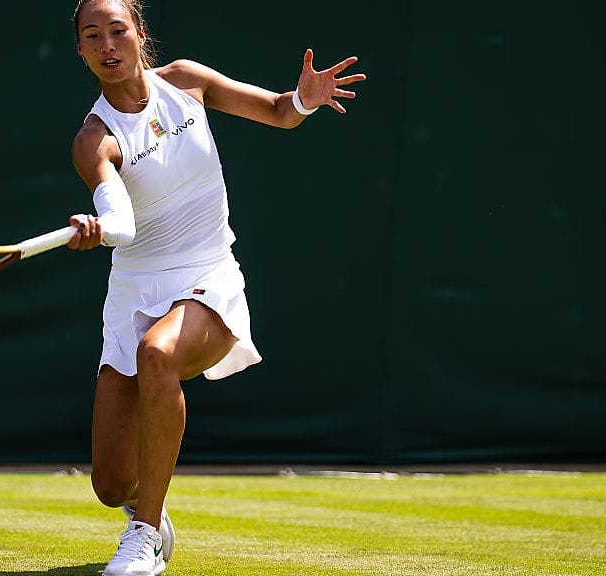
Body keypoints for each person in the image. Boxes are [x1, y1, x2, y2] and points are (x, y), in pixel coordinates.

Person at [66, 1, 365, 574]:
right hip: (133, 290)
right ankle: (141, 505)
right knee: (109, 482)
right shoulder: (93, 140)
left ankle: (146, 534)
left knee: (159, 354)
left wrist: (305, 97)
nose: (107, 46)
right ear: (81, 50)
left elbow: (280, 112)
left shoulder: (188, 82)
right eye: (92, 36)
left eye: (117, 31)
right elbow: (124, 224)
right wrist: (99, 228)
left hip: (206, 274)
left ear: (139, 34)